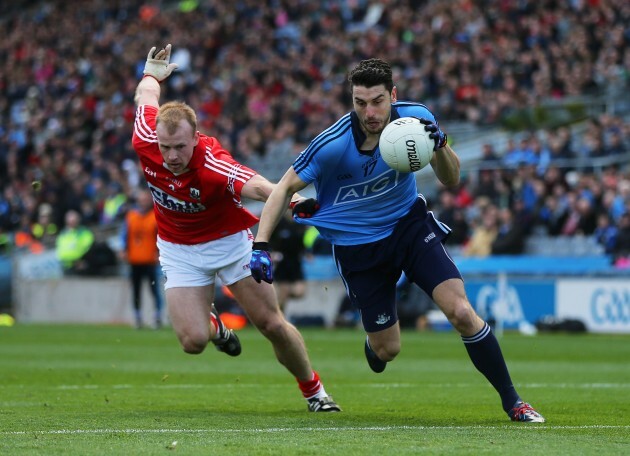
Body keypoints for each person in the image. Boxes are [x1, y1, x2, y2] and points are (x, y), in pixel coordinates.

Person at [251, 58, 544, 422]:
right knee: (387, 350)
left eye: (376, 101)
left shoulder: (417, 119)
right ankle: (375, 346)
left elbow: (450, 178)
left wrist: (441, 147)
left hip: (409, 227)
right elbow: (282, 189)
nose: (369, 112)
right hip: (358, 248)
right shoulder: (331, 143)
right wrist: (260, 245)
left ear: (393, 95)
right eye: (360, 103)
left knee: (461, 312)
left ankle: (514, 402)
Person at [131, 44, 340, 412]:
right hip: (179, 250)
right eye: (166, 148)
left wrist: (291, 202)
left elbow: (258, 186)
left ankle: (314, 391)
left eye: (180, 146)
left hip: (230, 244)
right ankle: (218, 329)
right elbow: (146, 95)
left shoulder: (212, 163)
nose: (173, 157)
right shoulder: (145, 138)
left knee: (271, 324)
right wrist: (151, 74)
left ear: (195, 137)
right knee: (192, 341)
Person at [119, 188, 164, 329]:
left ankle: (157, 316)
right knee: (136, 290)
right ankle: (137, 316)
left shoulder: (155, 216)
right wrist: (122, 249)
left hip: (151, 260)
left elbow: (161, 236)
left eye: (146, 199)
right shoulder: (131, 216)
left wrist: (160, 253)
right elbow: (124, 235)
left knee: (154, 290)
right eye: (141, 199)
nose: (143, 202)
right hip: (135, 260)